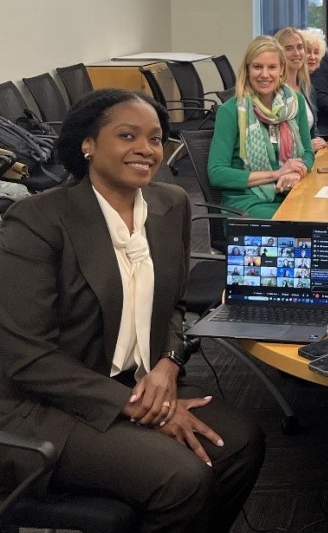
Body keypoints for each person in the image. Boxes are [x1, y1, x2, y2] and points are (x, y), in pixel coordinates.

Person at [0, 89, 265, 533]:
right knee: (181, 477)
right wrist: (133, 405)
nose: (146, 149)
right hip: (43, 404)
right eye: (127, 135)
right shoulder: (37, 220)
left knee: (240, 442)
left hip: (133, 382)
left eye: (156, 139)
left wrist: (168, 364)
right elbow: (28, 358)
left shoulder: (170, 204)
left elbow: (177, 307)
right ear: (87, 144)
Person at [209, 36, 315, 218]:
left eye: (272, 67)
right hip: (247, 202)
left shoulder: (294, 103)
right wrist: (277, 174)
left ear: (282, 69)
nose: (264, 75)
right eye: (257, 67)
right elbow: (217, 173)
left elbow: (307, 153)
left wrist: (297, 171)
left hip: (290, 193)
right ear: (247, 70)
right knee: (305, 226)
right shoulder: (231, 111)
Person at [276, 27, 326, 152]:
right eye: (288, 48)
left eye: (300, 47)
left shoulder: (306, 87)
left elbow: (311, 131)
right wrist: (305, 147)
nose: (297, 53)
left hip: (310, 157)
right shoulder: (274, 92)